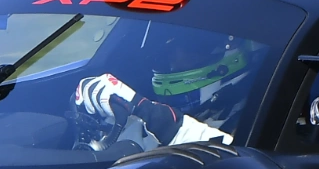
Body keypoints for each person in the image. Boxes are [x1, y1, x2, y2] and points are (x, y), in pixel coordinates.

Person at [73, 24, 256, 149]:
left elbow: (239, 161)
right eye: (167, 51)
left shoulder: (261, 115)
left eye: (194, 46)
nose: (174, 61)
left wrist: (155, 117)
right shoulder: (146, 120)